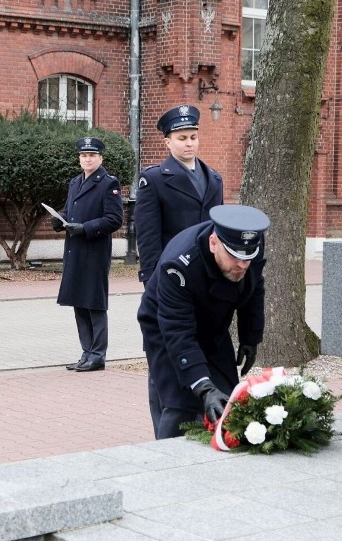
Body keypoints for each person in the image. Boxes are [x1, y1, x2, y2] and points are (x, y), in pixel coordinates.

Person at [137, 204, 270, 439]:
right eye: (234, 256)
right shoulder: (178, 265)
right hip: (165, 325)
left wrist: (250, 336)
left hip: (213, 323)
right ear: (213, 243)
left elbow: (254, 288)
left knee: (228, 398)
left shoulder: (249, 248)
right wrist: (203, 386)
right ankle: (166, 459)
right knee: (181, 401)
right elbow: (178, 332)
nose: (242, 265)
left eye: (247, 257)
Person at [51, 137, 123, 372]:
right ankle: (86, 352)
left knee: (94, 304)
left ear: (100, 158)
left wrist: (85, 228)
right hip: (75, 251)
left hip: (94, 251)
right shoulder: (75, 182)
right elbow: (71, 210)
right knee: (78, 302)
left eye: (92, 155)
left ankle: (98, 354)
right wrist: (59, 219)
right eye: (83, 155)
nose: (87, 159)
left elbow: (114, 220)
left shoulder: (108, 183)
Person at [134, 104, 224, 287]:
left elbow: (218, 228)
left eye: (193, 137)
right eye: (182, 138)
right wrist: (151, 278)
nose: (189, 143)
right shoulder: (154, 179)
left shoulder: (214, 178)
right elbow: (148, 236)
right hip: (174, 271)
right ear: (168, 142)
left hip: (209, 272)